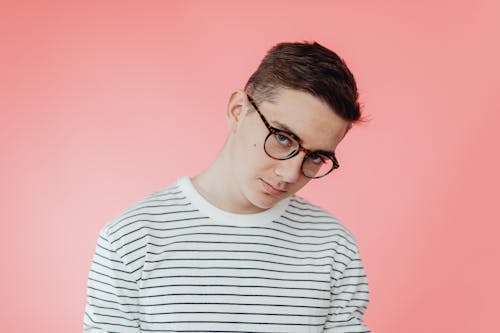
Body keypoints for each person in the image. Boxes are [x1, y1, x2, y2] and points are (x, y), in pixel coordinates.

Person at [84, 41, 370, 333]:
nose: (289, 173)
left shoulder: (333, 247)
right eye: (283, 138)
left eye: (316, 157)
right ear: (237, 110)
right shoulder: (131, 239)